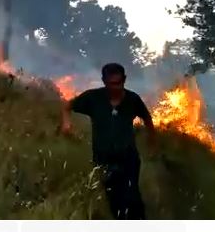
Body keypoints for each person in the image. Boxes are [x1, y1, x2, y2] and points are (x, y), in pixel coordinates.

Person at [60, 63, 155, 219]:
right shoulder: (93, 98)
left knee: (132, 198)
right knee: (114, 201)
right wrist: (66, 123)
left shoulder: (132, 99)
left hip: (128, 158)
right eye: (111, 84)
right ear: (104, 81)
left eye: (119, 83)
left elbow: (147, 118)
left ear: (124, 80)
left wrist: (152, 142)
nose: (116, 87)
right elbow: (68, 106)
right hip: (103, 159)